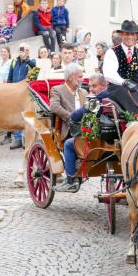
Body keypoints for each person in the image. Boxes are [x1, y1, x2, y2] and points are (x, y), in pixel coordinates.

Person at [102, 20, 138, 117]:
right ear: (121, 35)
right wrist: (123, 82)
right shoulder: (112, 52)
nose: (130, 37)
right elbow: (109, 73)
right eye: (127, 34)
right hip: (117, 87)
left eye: (132, 34)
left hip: (136, 86)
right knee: (129, 95)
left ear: (136, 36)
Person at [51, 64, 87, 193]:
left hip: (85, 128)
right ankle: (70, 178)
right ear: (71, 77)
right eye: (80, 77)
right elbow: (54, 107)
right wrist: (71, 117)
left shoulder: (83, 92)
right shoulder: (57, 89)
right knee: (69, 143)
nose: (83, 79)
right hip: (68, 128)